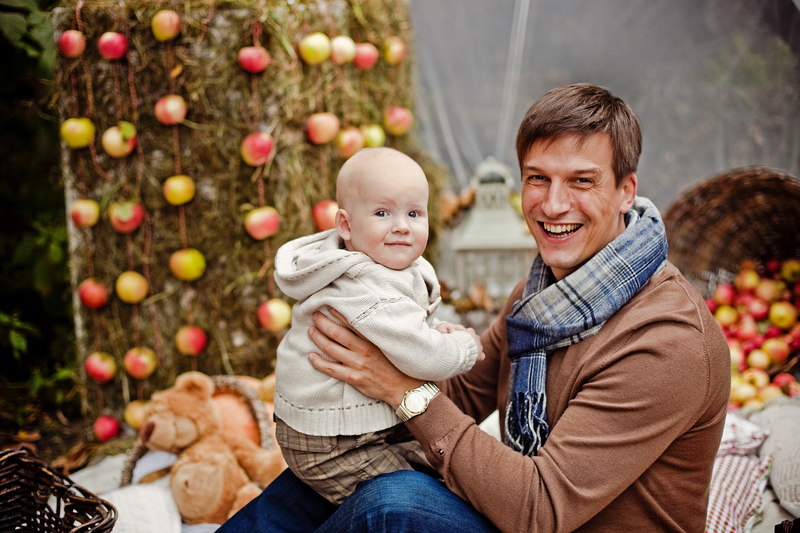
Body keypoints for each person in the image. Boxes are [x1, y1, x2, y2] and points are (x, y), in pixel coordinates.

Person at [219, 84, 730, 532]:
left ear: (625, 192)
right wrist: (379, 347)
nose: (553, 205)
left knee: (392, 502)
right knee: (322, 477)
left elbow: (539, 512)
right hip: (521, 511)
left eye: (581, 181)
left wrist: (401, 388)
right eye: (537, 178)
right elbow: (463, 396)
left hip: (540, 518)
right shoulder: (542, 297)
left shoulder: (667, 340)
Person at [270, 147, 483, 505]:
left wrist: (436, 330)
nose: (402, 225)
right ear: (346, 225)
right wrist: (465, 349)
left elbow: (403, 328)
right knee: (416, 502)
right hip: (334, 443)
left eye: (414, 213)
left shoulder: (383, 262)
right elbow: (425, 357)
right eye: (382, 213)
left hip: (362, 424)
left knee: (442, 471)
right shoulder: (368, 287)